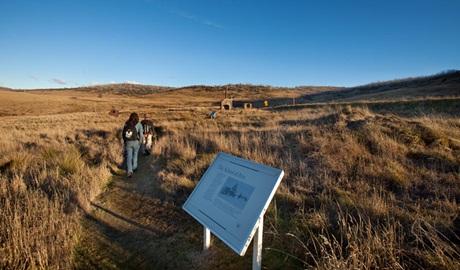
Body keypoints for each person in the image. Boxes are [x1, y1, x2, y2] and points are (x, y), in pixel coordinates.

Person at [122, 112, 143, 178]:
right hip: (136, 142)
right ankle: (134, 167)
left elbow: (123, 134)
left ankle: (129, 171)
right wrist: (140, 141)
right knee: (135, 154)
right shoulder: (139, 124)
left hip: (128, 142)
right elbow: (141, 134)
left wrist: (125, 140)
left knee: (128, 156)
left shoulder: (126, 124)